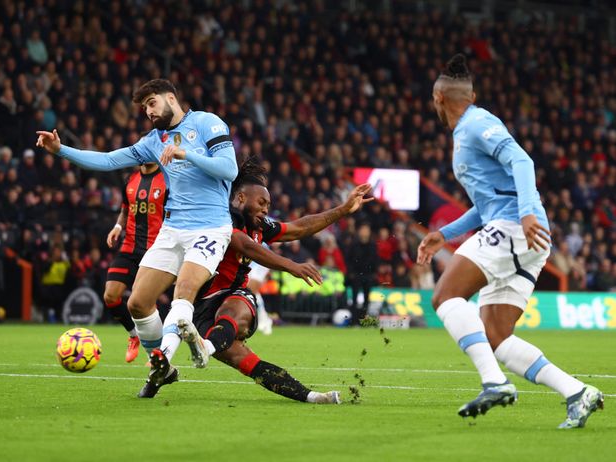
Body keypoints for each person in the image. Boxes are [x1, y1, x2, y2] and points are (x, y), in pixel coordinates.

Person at [416, 54, 603, 429]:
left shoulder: (476, 124)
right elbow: (486, 205)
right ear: (470, 95)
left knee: (445, 296)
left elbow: (523, 161)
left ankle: (494, 383)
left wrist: (528, 211)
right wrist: (445, 234)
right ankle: (577, 392)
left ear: (438, 98)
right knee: (496, 336)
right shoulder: (466, 131)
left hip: (517, 227)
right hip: (520, 233)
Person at [36, 79, 238, 394]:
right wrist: (61, 150)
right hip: (172, 229)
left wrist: (186, 154)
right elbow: (108, 160)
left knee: (184, 289)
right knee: (138, 303)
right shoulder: (152, 142)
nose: (148, 111)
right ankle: (165, 369)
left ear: (171, 98)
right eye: (144, 107)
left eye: (152, 103)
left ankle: (161, 361)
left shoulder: (206, 123)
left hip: (210, 227)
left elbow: (229, 170)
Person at [164, 158, 372, 402]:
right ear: (241, 198)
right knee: (244, 360)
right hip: (200, 307)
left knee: (236, 306)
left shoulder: (260, 226)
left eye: (268, 205)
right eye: (261, 203)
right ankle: (194, 354)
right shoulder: (221, 218)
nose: (265, 209)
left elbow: (298, 228)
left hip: (233, 297)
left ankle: (311, 396)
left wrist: (343, 209)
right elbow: (245, 246)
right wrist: (291, 266)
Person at [104, 162, 166, 363]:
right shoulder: (130, 179)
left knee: (145, 303)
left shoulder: (167, 180)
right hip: (129, 247)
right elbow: (125, 210)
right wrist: (117, 227)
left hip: (155, 250)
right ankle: (134, 335)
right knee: (110, 296)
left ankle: (157, 352)